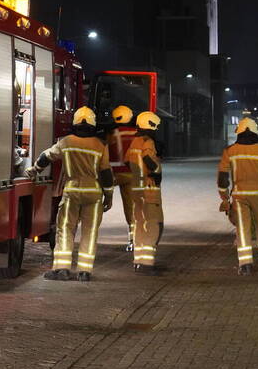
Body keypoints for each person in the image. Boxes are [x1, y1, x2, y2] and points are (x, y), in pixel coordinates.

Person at [26, 106, 114, 282]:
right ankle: (84, 271)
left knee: (65, 229)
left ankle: (62, 269)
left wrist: (34, 169)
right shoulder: (100, 145)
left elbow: (46, 156)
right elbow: (106, 174)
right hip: (94, 194)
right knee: (90, 232)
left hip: (72, 192)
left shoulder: (66, 142)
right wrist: (109, 197)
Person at [217, 117, 258, 275]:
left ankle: (245, 264)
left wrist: (224, 197)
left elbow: (222, 177)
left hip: (239, 196)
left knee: (242, 230)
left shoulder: (230, 151)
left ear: (239, 131)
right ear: (255, 132)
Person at [125, 111, 163, 273]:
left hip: (136, 188)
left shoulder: (134, 142)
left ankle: (138, 260)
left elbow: (127, 161)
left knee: (140, 224)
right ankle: (147, 263)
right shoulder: (148, 142)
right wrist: (155, 171)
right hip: (149, 188)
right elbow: (148, 158)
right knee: (154, 224)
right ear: (151, 126)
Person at [106, 105, 138, 251]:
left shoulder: (112, 134)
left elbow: (104, 157)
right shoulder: (137, 134)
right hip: (131, 174)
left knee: (96, 203)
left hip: (113, 175)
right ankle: (133, 240)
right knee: (131, 209)